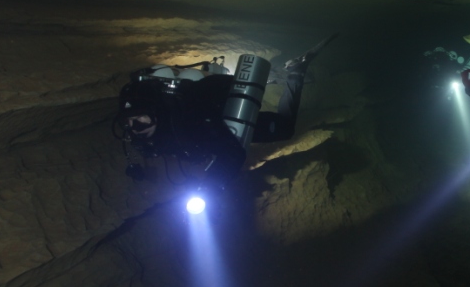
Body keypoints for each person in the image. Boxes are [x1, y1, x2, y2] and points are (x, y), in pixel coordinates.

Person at [114, 34, 337, 186]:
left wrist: (213, 184)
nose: (135, 128)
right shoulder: (141, 138)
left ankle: (293, 74)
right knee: (283, 130)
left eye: (140, 119)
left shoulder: (191, 120)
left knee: (285, 129)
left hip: (221, 116)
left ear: (155, 113)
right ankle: (278, 76)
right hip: (207, 122)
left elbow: (233, 152)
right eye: (129, 123)